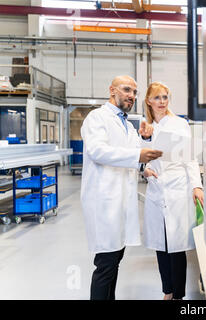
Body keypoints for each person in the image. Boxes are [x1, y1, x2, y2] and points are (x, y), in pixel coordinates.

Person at [80, 75, 162, 300]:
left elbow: (134, 156)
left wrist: (143, 161)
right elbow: (97, 151)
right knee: (105, 266)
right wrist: (138, 155)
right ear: (112, 90)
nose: (131, 96)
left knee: (114, 262)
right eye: (127, 90)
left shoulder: (127, 125)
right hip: (104, 202)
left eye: (134, 92)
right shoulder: (97, 118)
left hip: (121, 203)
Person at [142, 81, 204, 300]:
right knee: (161, 245)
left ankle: (177, 295)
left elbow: (190, 157)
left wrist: (196, 185)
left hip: (178, 188)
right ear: (148, 101)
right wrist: (145, 169)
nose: (162, 102)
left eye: (165, 97)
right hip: (157, 189)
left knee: (176, 247)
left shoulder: (179, 124)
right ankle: (167, 291)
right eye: (157, 98)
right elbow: (142, 157)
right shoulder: (145, 128)